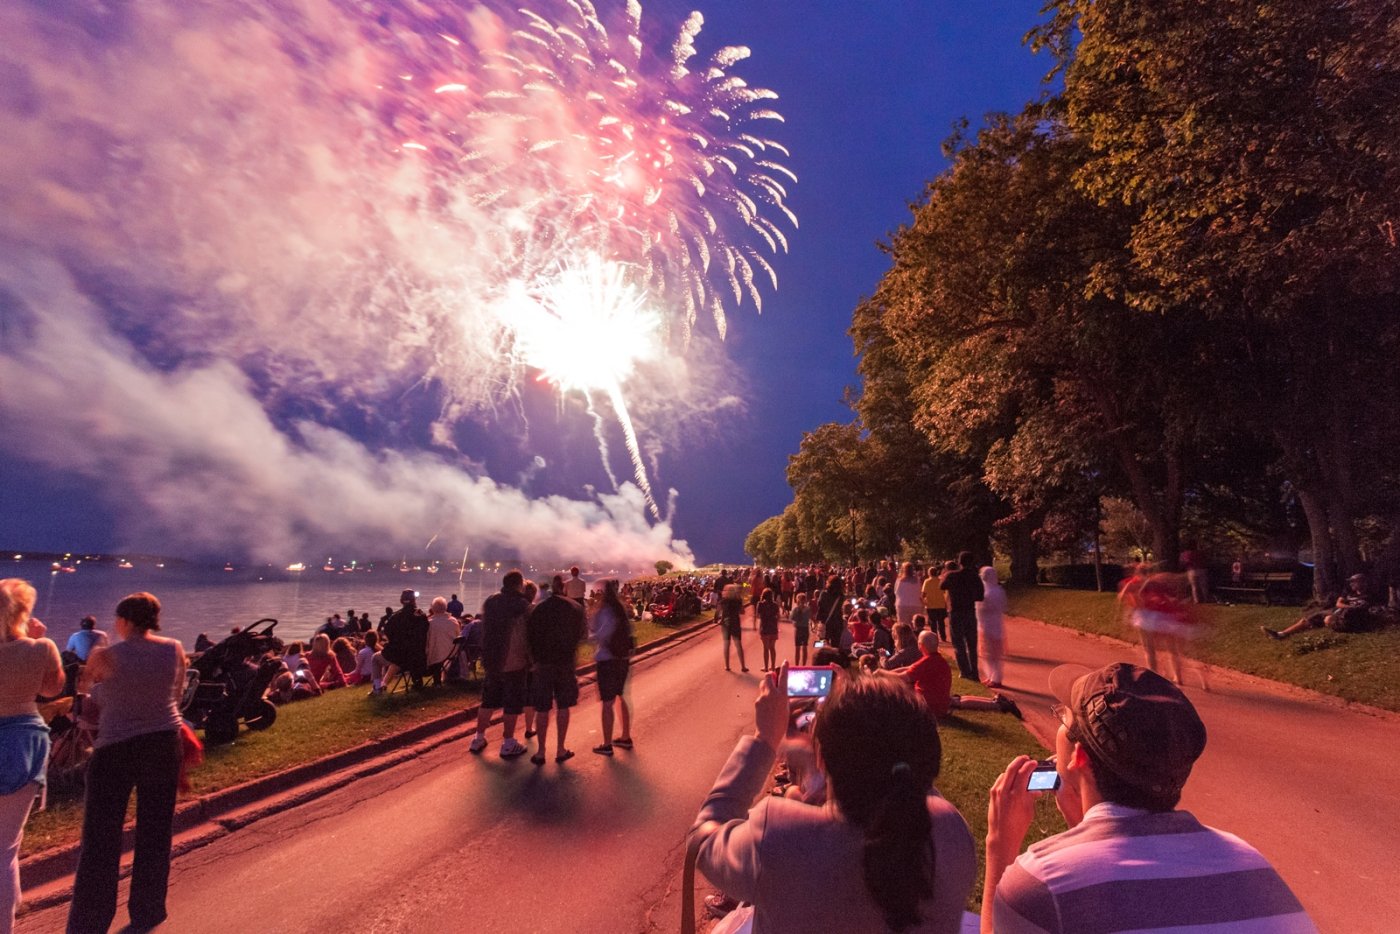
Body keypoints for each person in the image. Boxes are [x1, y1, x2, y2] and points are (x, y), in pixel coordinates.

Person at [981, 662, 1315, 933]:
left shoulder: (1041, 883)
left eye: (1063, 716)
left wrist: (1000, 848)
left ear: (1079, 757)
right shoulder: (1249, 861)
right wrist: (1083, 828)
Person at [691, 668, 976, 933]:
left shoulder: (778, 835)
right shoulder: (954, 834)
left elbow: (702, 841)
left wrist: (764, 738)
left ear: (822, 760)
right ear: (929, 753)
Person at [67, 592, 187, 934]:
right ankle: (148, 909)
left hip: (116, 749)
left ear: (124, 621)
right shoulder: (173, 648)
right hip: (164, 743)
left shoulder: (105, 655)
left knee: (101, 840)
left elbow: (88, 705)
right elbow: (175, 697)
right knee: (155, 830)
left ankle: (90, 922)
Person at [1, 579, 65, 934]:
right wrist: (39, 637)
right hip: (23, 741)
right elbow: (52, 689)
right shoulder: (41, 647)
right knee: (5, 847)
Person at [879, 631, 1020, 719]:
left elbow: (904, 677)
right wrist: (888, 673)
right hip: (938, 698)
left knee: (956, 702)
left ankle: (998, 705)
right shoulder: (935, 659)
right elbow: (908, 668)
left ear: (921, 645)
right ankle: (996, 703)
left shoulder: (927, 662)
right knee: (957, 700)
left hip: (930, 704)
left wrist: (881, 672)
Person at [469, 572, 532, 758]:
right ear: (519, 585)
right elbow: (526, 634)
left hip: (492, 659)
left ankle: (478, 738)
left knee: (488, 700)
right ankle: (508, 742)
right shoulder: (522, 606)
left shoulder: (491, 601)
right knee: (511, 703)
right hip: (513, 661)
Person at [525, 575, 586, 765]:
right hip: (565, 663)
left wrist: (533, 660)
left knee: (542, 708)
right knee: (563, 706)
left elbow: (529, 637)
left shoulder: (538, 609)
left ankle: (541, 751)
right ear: (565, 589)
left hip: (543, 664)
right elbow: (583, 635)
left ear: (552, 588)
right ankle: (560, 749)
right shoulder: (576, 608)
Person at [589, 579, 634, 756]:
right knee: (621, 696)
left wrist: (589, 636)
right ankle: (625, 737)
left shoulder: (606, 610)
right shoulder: (621, 610)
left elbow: (602, 634)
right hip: (622, 659)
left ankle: (607, 744)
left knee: (607, 703)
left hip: (608, 660)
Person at [1263, 573, 1376, 639]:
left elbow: (1363, 608)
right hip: (1338, 610)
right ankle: (1281, 634)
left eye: (1354, 582)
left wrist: (1347, 609)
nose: (1351, 584)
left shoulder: (1368, 594)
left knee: (1328, 619)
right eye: (1351, 582)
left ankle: (1322, 623)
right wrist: (1347, 607)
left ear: (1362, 583)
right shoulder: (1348, 592)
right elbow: (1339, 603)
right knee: (1309, 618)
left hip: (1346, 615)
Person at [940, 553, 984, 682]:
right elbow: (980, 597)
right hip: (970, 611)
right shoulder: (975, 577)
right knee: (971, 643)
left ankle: (965, 671)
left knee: (958, 643)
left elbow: (941, 586)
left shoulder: (952, 575)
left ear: (959, 562)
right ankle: (974, 672)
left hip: (956, 612)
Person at [381, 590, 429, 690]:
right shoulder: (422, 616)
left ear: (401, 601)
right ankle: (416, 681)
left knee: (378, 658)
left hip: (402, 657)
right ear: (414, 601)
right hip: (419, 656)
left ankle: (379, 685)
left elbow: (387, 632)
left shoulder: (395, 618)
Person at [975, 567, 1008, 688]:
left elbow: (993, 607)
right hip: (986, 625)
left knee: (993, 655)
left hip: (991, 626)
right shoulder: (993, 590)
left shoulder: (994, 592)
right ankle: (990, 676)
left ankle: (996, 678)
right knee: (986, 654)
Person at [424, 596, 460, 682]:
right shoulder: (453, 621)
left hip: (437, 654)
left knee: (433, 650)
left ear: (432, 608)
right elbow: (458, 634)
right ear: (445, 607)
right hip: (452, 651)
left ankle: (436, 681)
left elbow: (427, 640)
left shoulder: (430, 623)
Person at [717, 583, 748, 673]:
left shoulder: (723, 601)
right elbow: (742, 612)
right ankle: (743, 666)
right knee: (738, 645)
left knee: (726, 644)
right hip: (735, 622)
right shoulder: (738, 601)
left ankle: (727, 666)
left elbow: (718, 611)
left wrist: (718, 619)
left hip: (726, 623)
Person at [756, 588, 781, 672]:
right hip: (773, 628)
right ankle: (773, 666)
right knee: (772, 648)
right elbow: (778, 616)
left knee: (765, 648)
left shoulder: (760, 604)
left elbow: (758, 616)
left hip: (764, 628)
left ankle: (766, 667)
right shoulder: (775, 605)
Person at [922, 566, 948, 642]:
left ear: (929, 573)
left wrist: (924, 602)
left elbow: (923, 594)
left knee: (933, 623)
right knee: (941, 622)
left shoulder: (927, 581)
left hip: (930, 605)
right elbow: (945, 592)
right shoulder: (941, 581)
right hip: (941, 605)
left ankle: (934, 638)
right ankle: (943, 637)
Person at [894, 562, 922, 627]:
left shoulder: (899, 580)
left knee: (904, 626)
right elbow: (920, 591)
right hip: (916, 604)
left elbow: (896, 592)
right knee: (916, 626)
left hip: (902, 605)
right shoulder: (918, 580)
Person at [790, 592, 811, 666]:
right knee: (805, 648)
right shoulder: (808, 609)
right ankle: (804, 665)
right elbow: (810, 617)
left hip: (798, 629)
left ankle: (797, 665)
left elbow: (791, 618)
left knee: (797, 648)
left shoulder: (795, 609)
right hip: (805, 629)